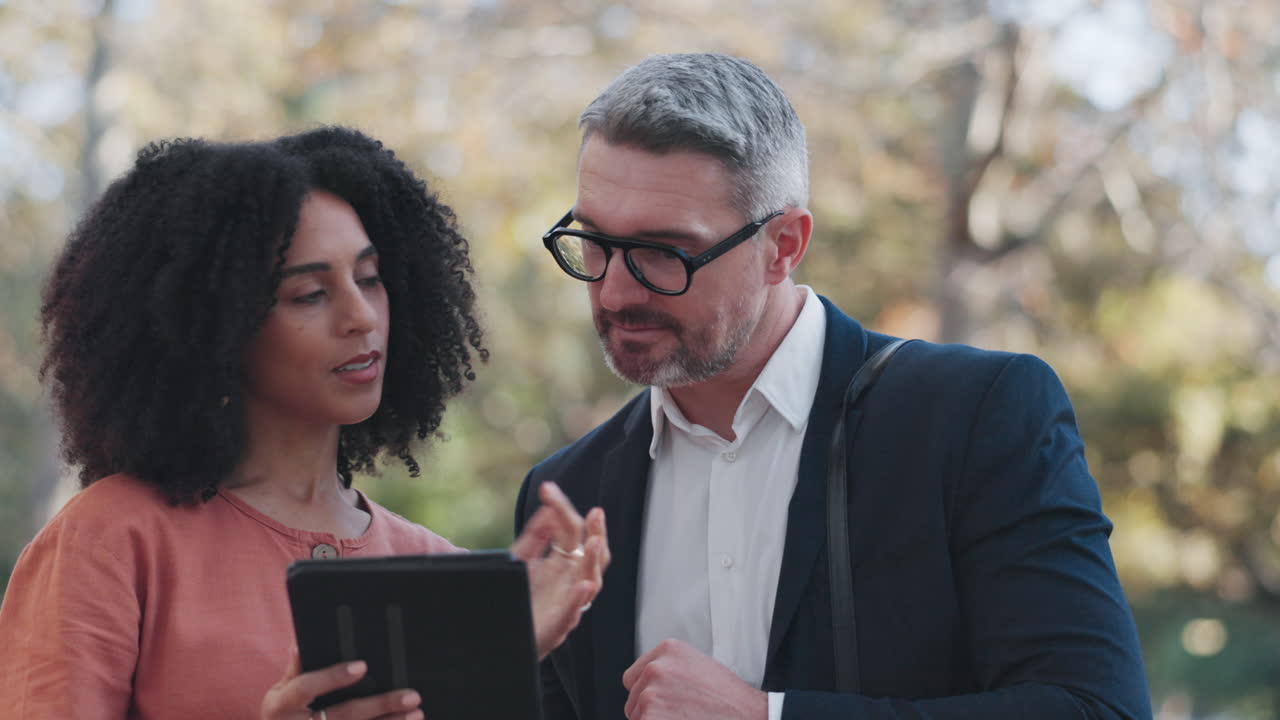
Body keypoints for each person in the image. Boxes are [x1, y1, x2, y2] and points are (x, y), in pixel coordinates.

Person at [515, 53, 1151, 719]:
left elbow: (1096, 709)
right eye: (592, 241)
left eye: (663, 253)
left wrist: (768, 717)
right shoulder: (566, 492)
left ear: (785, 244)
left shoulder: (977, 417)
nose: (613, 290)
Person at [0, 126, 608, 720]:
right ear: (215, 326)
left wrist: (497, 655)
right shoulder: (111, 542)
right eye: (310, 294)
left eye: (370, 279)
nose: (360, 316)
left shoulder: (433, 563)